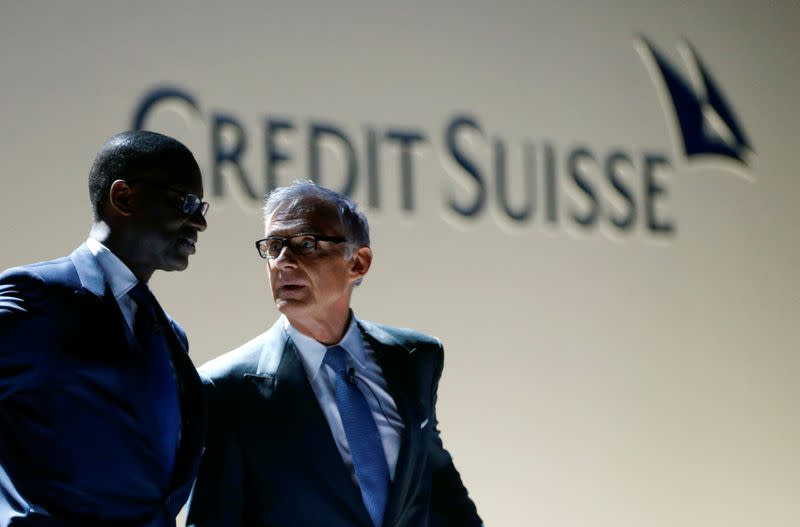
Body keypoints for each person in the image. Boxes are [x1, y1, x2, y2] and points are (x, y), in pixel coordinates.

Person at [186, 181, 482, 527]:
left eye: (306, 244)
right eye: (273, 246)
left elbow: (439, 490)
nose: (283, 261)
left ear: (358, 262)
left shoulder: (415, 359)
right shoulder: (226, 388)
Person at [0, 131, 209, 527]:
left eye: (202, 208)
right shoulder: (36, 298)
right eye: (186, 202)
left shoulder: (170, 337)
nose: (199, 221)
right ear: (124, 198)